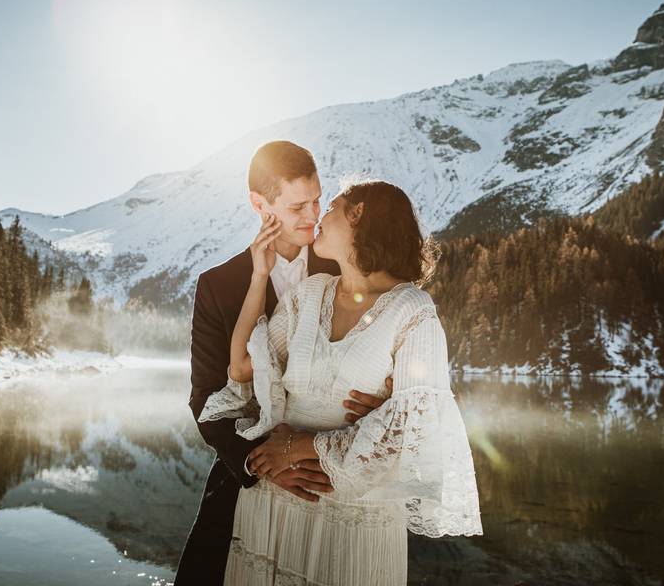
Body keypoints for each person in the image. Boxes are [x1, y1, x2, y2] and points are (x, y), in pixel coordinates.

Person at [199, 179, 483, 585]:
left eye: (330, 206)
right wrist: (260, 274)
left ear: (358, 215)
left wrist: (299, 445)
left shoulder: (413, 311)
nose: (318, 217)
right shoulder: (308, 294)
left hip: (352, 516)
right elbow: (242, 367)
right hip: (273, 501)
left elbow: (415, 429)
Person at [175, 141, 393, 585]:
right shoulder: (217, 286)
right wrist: (260, 465)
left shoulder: (346, 263)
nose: (313, 217)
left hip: (334, 485)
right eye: (298, 207)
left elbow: (391, 358)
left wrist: (384, 400)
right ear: (260, 205)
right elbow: (205, 401)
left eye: (317, 201)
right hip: (247, 487)